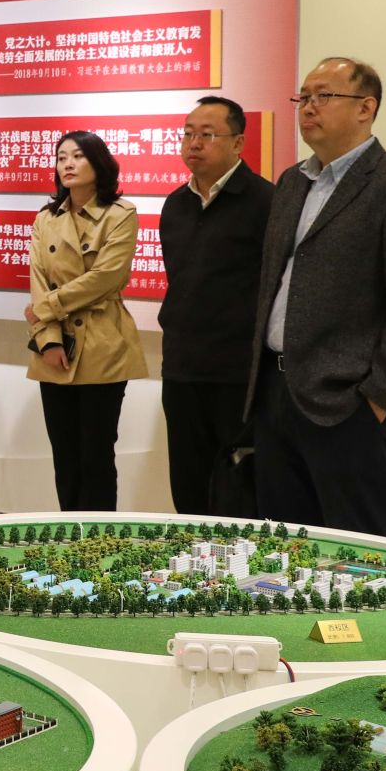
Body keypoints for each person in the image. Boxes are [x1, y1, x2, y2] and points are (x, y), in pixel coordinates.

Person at [249, 57, 386, 538]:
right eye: (303, 97)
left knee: (361, 551)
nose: (308, 107)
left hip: (346, 402)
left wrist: (379, 397)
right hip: (275, 394)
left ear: (365, 108)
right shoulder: (292, 182)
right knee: (285, 547)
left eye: (324, 95)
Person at [158, 95, 274, 515]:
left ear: (238, 143)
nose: (194, 143)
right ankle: (191, 554)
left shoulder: (265, 202)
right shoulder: (176, 204)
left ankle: (237, 558)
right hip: (182, 367)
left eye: (207, 135)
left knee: (238, 488)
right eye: (188, 134)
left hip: (237, 373)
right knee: (188, 481)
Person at [26, 131, 146, 511]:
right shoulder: (46, 218)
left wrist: (47, 307)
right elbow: (37, 280)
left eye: (78, 156)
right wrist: (48, 339)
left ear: (99, 163)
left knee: (96, 455)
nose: (68, 164)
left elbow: (107, 277)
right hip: (53, 345)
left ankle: (98, 536)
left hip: (103, 343)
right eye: (62, 157)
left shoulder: (121, 213)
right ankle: (69, 533)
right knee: (64, 455)